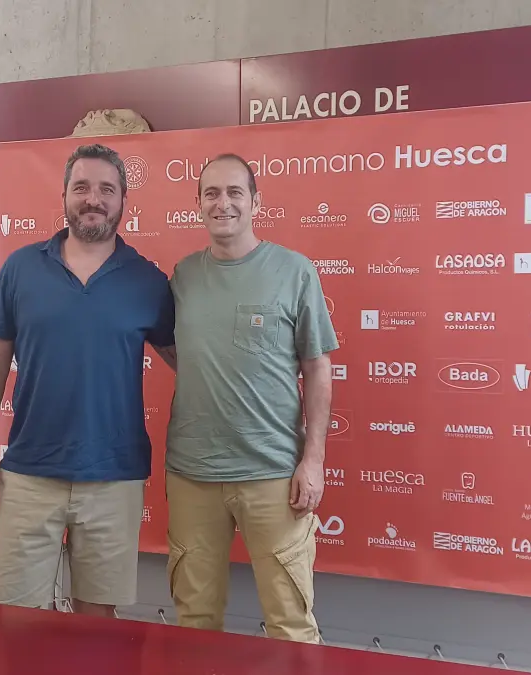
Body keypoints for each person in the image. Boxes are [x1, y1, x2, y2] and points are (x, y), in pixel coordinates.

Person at [0, 143, 177, 617]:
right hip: (29, 473)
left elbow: (187, 360)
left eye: (106, 189)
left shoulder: (148, 281)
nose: (93, 199)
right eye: (81, 187)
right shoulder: (21, 268)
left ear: (123, 200)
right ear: (63, 195)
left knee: (97, 628)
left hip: (114, 477)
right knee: (16, 621)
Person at [163, 153, 338, 643]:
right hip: (192, 474)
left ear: (256, 202)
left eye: (235, 192)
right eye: (212, 193)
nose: (223, 203)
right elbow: (177, 349)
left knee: (291, 625)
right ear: (198, 204)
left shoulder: (294, 271)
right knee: (195, 622)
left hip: (273, 474)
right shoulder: (183, 276)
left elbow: (318, 368)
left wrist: (314, 459)